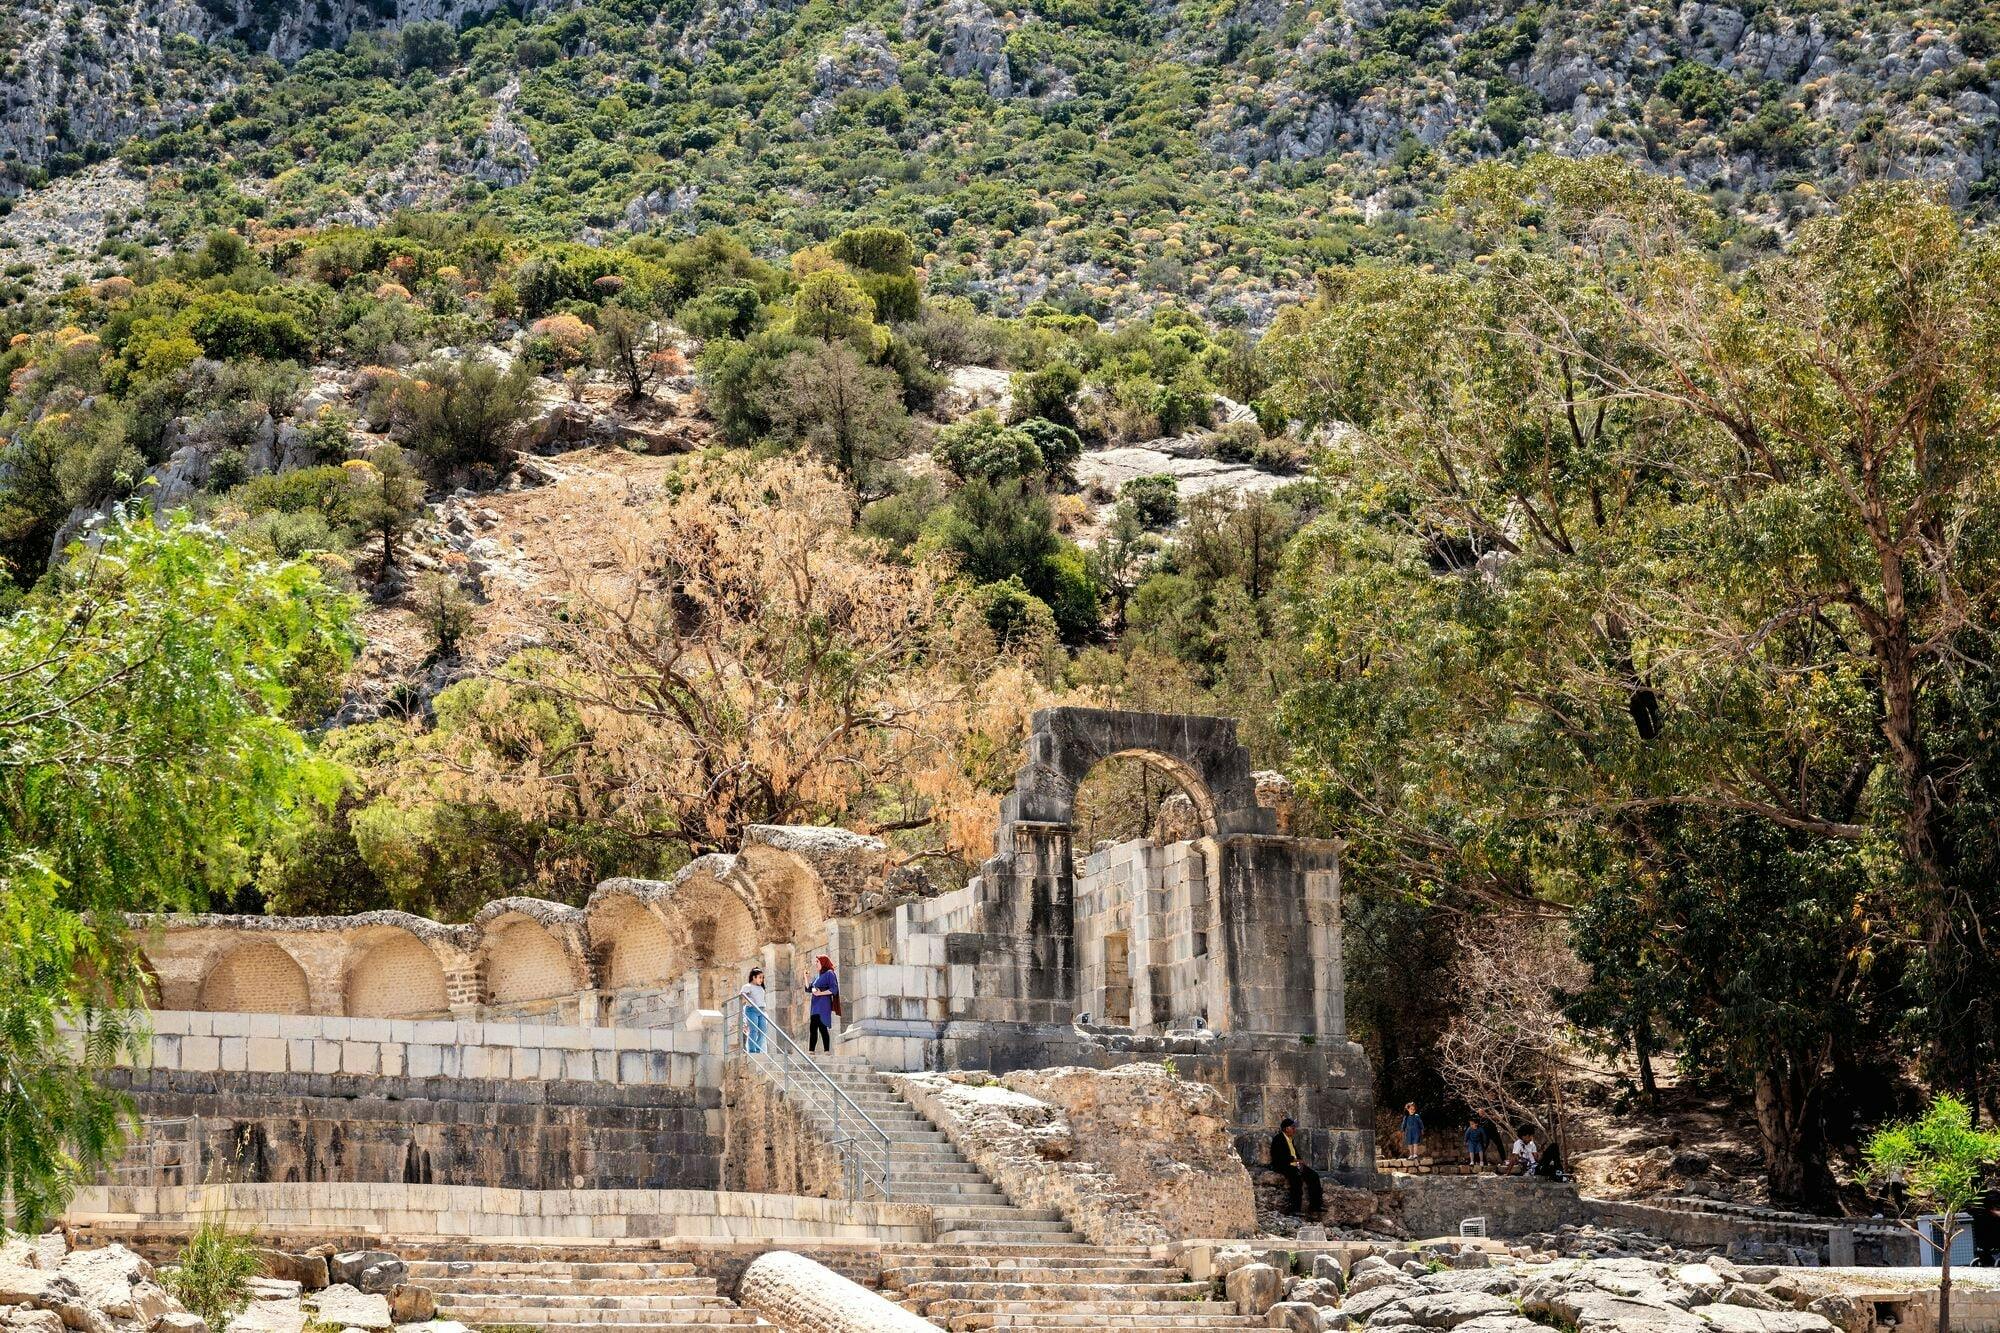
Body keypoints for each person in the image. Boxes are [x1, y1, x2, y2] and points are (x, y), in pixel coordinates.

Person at [1269, 1117, 1324, 1216]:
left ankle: (1315, 1206)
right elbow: (1279, 1156)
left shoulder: (1290, 1140)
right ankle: (1295, 1209)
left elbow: (1294, 1154)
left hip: (1294, 1164)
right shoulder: (1279, 1139)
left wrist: (1300, 1162)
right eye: (1292, 1127)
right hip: (1284, 1165)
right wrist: (1295, 1160)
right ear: (1286, 1129)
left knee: (1313, 1175)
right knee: (1296, 1179)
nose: (1295, 1129)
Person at [807, 954, 839, 1053]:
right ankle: (811, 1051)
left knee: (822, 1027)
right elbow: (809, 988)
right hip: (815, 1005)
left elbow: (834, 989)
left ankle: (826, 1051)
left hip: (823, 1004)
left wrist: (821, 993)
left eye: (817, 961)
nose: (816, 963)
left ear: (823, 962)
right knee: (813, 1028)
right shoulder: (818, 976)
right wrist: (806, 977)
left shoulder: (830, 973)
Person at [738, 966, 768, 1055]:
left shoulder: (761, 988)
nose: (761, 980)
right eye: (760, 977)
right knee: (753, 1030)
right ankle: (752, 1050)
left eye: (762, 978)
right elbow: (741, 996)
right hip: (751, 1010)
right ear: (753, 977)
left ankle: (758, 1049)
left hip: (761, 1010)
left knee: (763, 1031)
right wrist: (749, 999)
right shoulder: (748, 986)